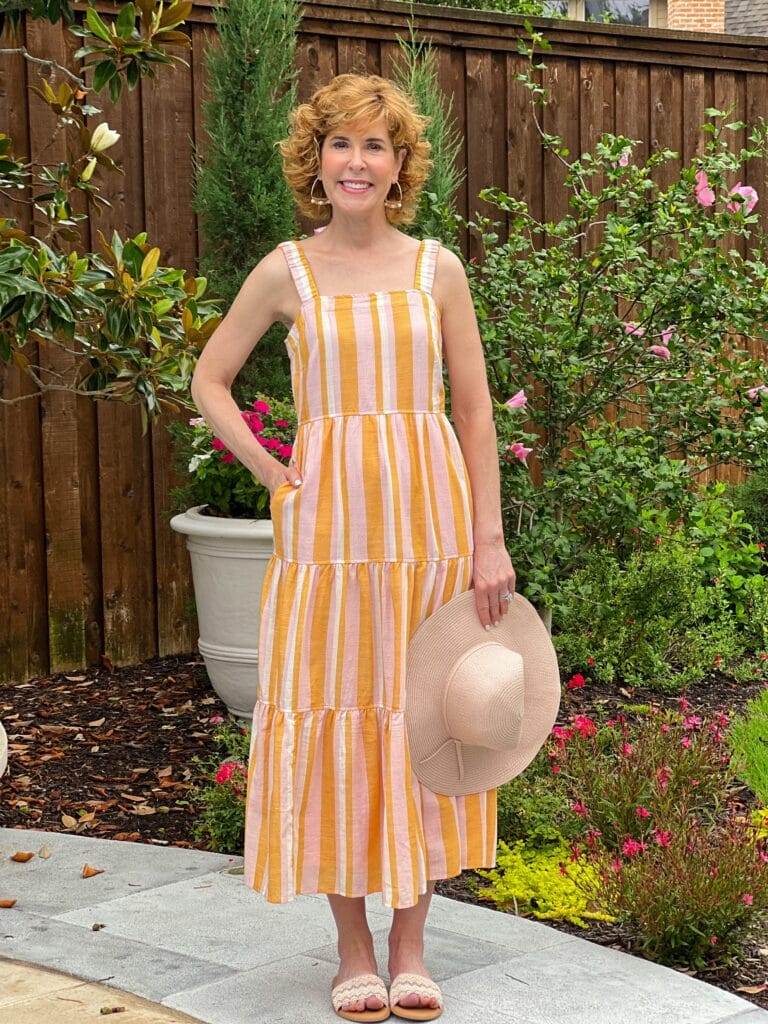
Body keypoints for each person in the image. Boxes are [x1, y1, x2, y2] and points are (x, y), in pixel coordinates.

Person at [190, 72, 516, 1022]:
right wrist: (272, 472)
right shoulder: (286, 270)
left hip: (428, 534)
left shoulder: (436, 271)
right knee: (335, 713)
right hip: (328, 540)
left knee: (423, 720)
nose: (357, 161)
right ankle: (352, 949)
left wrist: (487, 541)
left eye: (377, 145)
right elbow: (211, 378)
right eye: (341, 144)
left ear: (400, 163)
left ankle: (413, 946)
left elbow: (475, 411)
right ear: (316, 161)